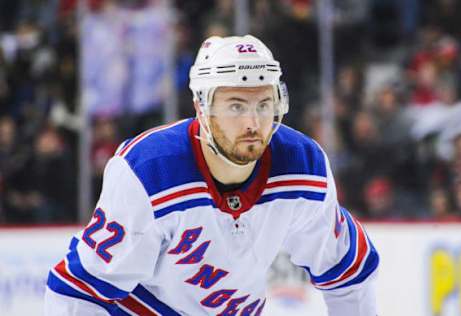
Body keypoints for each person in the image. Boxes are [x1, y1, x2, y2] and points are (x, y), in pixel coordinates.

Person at [44, 35, 379, 316]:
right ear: (201, 107)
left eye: (263, 105)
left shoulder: (304, 167)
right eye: (235, 106)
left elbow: (347, 272)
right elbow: (80, 290)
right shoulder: (149, 171)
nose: (252, 123)